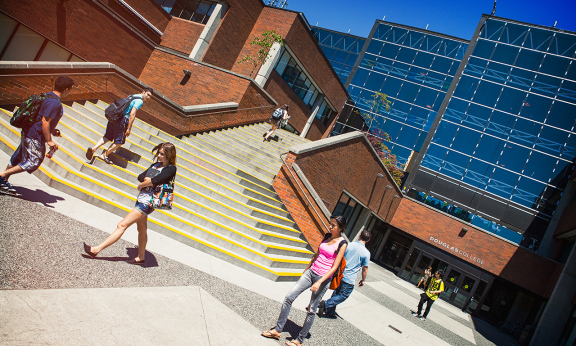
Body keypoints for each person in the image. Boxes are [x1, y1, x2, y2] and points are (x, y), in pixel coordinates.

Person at [83, 142, 177, 264]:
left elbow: (155, 180)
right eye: (159, 153)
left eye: (162, 154)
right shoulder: (156, 165)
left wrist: (143, 184)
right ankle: (141, 257)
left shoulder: (170, 169)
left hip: (147, 203)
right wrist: (148, 181)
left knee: (122, 225)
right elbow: (141, 176)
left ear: (169, 155)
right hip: (141, 199)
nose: (159, 155)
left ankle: (96, 250)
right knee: (142, 229)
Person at [261, 216, 348, 346]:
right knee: (289, 297)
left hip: (322, 279)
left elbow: (334, 267)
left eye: (333, 225)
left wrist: (319, 282)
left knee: (312, 309)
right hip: (311, 272)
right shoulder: (327, 236)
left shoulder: (342, 243)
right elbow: (317, 255)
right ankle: (278, 330)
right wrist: (306, 269)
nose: (330, 227)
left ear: (341, 228)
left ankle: (299, 340)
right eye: (330, 224)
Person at [0, 76, 75, 193]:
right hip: (35, 135)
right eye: (70, 89)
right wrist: (49, 140)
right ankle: (2, 174)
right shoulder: (55, 102)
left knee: (18, 157)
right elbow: (45, 121)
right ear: (66, 89)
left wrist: (52, 130)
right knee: (34, 161)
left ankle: (3, 180)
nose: (70, 92)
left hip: (29, 131)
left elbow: (40, 117)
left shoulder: (47, 95)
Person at [85, 88, 153, 164]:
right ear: (143, 92)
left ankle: (94, 148)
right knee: (120, 141)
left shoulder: (132, 96)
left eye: (150, 96)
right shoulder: (139, 101)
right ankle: (104, 155)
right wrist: (129, 128)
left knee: (107, 136)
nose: (148, 97)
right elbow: (132, 114)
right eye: (148, 94)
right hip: (123, 120)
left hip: (115, 117)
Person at [318, 230, 371, 318]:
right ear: (368, 240)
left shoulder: (348, 245)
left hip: (340, 274)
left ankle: (330, 312)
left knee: (336, 293)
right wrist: (363, 280)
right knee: (343, 295)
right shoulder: (366, 253)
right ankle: (325, 304)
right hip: (349, 279)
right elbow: (365, 269)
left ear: (360, 235)